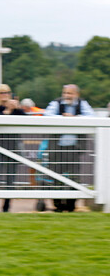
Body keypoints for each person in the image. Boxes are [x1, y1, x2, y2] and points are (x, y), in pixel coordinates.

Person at [44, 84, 93, 212]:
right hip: (56, 148)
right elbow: (47, 115)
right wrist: (63, 118)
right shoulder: (56, 103)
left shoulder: (82, 104)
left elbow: (92, 117)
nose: (66, 95)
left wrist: (75, 119)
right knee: (55, 177)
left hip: (74, 148)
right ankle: (58, 205)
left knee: (74, 177)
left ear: (77, 94)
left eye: (70, 93)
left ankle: (71, 206)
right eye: (65, 92)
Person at [0, 84, 25, 213]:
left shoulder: (15, 109)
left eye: (7, 92)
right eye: (2, 92)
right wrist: (7, 111)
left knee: (11, 180)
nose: (5, 95)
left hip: (13, 147)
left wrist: (18, 108)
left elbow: (27, 120)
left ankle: (6, 208)